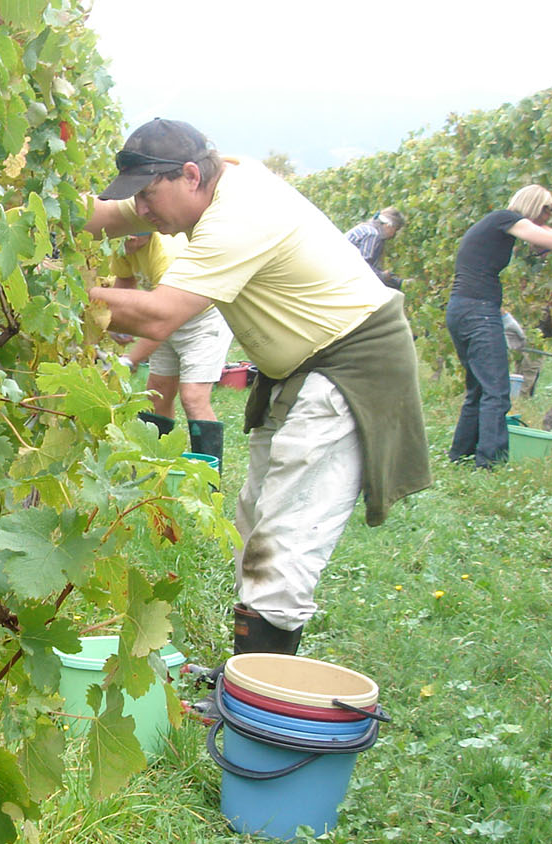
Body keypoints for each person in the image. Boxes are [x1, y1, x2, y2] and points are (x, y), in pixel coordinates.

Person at [84, 118, 432, 656]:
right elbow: (106, 215)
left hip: (349, 367)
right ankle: (248, 676)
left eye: (149, 195)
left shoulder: (240, 213)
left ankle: (257, 692)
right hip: (298, 369)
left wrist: (62, 293)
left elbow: (158, 316)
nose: (143, 210)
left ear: (190, 175)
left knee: (284, 541)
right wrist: (25, 214)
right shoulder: (201, 185)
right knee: (255, 522)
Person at [445, 186, 552, 466]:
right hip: (478, 311)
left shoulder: (497, 226)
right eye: (547, 210)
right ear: (535, 206)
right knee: (496, 389)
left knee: (479, 389)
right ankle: (491, 462)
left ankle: (461, 455)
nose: (548, 217)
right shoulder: (505, 218)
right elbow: (544, 237)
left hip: (463, 309)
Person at [110, 231, 235, 467]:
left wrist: (130, 359)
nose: (129, 239)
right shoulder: (123, 245)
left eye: (136, 234)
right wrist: (116, 322)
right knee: (157, 392)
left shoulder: (165, 254)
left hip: (203, 319)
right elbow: (124, 283)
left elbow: (163, 324)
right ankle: (155, 468)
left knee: (193, 396)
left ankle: (208, 479)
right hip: (166, 313)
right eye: (125, 233)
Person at [344, 208, 407, 289]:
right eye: (395, 230)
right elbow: (362, 268)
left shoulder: (366, 228)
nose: (394, 235)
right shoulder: (372, 235)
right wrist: (383, 276)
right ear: (389, 226)